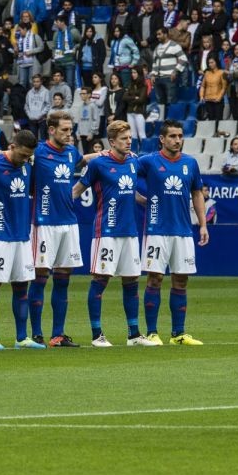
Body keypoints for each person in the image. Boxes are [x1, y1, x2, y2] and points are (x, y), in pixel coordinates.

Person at [71, 120, 156, 348]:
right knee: (100, 280)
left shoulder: (133, 162)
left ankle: (134, 334)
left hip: (129, 231)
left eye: (129, 138)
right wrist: (59, 210)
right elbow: (77, 191)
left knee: (131, 281)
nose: (128, 142)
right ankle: (97, 334)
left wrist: (147, 202)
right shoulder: (99, 164)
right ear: (111, 142)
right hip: (106, 232)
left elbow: (130, 192)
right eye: (123, 139)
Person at [137, 120, 209, 346]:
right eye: (172, 136)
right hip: (156, 230)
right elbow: (124, 179)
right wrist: (141, 200)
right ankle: (152, 333)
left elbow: (197, 193)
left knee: (181, 280)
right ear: (162, 138)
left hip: (183, 231)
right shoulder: (148, 161)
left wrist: (203, 224)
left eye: (180, 136)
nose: (177, 140)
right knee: (155, 278)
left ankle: (178, 334)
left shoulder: (190, 163)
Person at [0, 129, 45, 350]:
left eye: (28, 156)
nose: (25, 159)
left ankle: (22, 338)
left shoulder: (28, 165)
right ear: (11, 147)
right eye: (22, 155)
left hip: (22, 236)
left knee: (21, 286)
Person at [28, 111, 90, 348]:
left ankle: (58, 334)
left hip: (69, 223)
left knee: (63, 280)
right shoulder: (38, 152)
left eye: (70, 129)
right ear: (51, 130)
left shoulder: (72, 152)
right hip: (44, 223)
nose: (69, 134)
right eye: (64, 130)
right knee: (40, 278)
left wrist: (105, 153)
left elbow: (85, 161)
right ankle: (36, 334)